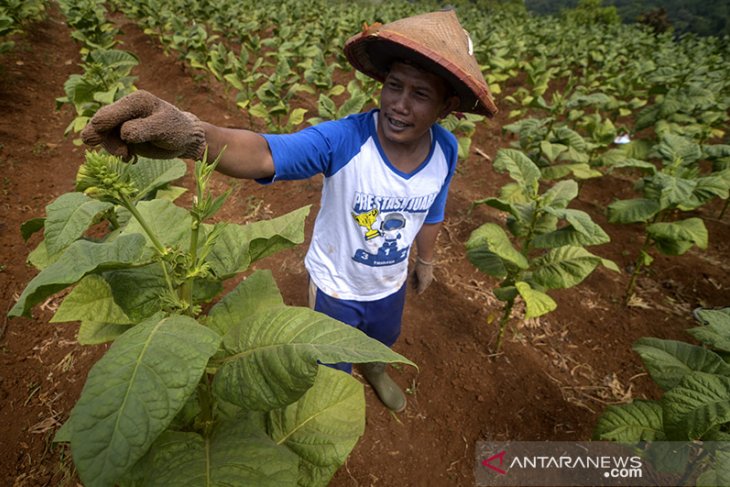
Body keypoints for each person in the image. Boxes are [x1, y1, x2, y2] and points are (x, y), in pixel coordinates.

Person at [81, 9, 498, 412]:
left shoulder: (446, 149)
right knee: (331, 359)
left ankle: (375, 366)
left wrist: (425, 261)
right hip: (336, 285)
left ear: (446, 108)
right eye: (394, 85)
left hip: (388, 283)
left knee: (384, 336)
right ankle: (329, 400)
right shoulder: (346, 140)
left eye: (420, 94)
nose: (399, 104)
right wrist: (194, 136)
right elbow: (267, 154)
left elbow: (432, 209)